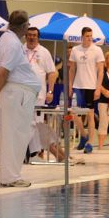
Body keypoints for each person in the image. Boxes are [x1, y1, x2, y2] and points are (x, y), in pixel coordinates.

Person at [0, 10, 38, 187]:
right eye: (28, 25)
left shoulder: (8, 39)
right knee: (15, 136)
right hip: (16, 94)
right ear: (24, 26)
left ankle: (10, 176)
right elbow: (3, 71)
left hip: (17, 94)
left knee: (14, 135)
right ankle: (11, 177)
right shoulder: (12, 43)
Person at [22, 26, 63, 161]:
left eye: (34, 35)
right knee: (24, 125)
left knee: (37, 125)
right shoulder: (20, 50)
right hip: (21, 94)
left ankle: (38, 154)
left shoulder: (44, 52)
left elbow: (52, 73)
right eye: (29, 35)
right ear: (25, 36)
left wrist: (50, 91)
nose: (31, 37)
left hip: (38, 95)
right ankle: (29, 154)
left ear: (38, 37)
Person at [67, 26, 104, 153]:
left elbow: (101, 71)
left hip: (91, 86)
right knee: (73, 112)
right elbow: (72, 69)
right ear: (82, 36)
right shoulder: (75, 50)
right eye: (87, 36)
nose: (89, 38)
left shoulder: (97, 50)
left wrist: (98, 88)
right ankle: (83, 135)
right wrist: (70, 85)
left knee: (90, 114)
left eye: (91, 36)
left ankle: (90, 143)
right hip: (78, 86)